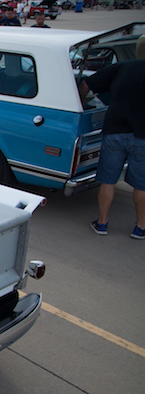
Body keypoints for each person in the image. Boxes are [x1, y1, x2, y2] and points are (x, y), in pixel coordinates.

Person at [79, 35, 145, 240]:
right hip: (142, 137)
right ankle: (140, 227)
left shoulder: (121, 67)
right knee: (141, 184)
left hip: (114, 132)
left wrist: (80, 105)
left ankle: (102, 223)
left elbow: (87, 84)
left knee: (108, 180)